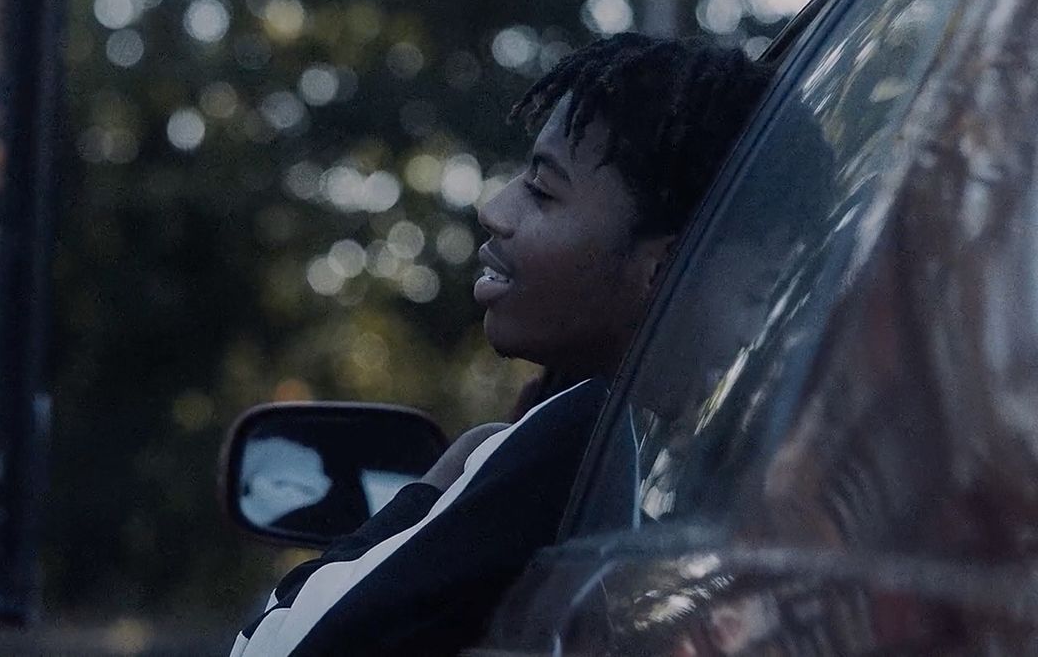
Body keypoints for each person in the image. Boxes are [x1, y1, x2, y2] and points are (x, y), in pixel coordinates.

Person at [230, 33, 776, 657]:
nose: (495, 209)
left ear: (666, 268)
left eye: (543, 191)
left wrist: (433, 487)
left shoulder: (574, 441)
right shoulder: (697, 466)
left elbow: (276, 646)